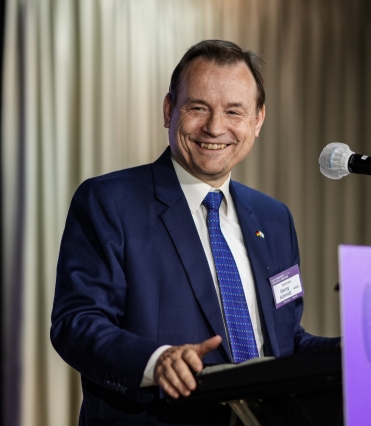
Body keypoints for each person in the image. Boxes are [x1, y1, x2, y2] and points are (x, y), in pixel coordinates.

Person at [51, 39, 339, 425]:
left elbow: (282, 340)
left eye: (234, 111)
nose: (215, 127)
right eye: (198, 108)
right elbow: (77, 322)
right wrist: (157, 362)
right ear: (170, 110)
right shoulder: (109, 202)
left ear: (257, 120)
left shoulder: (274, 218)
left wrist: (349, 352)